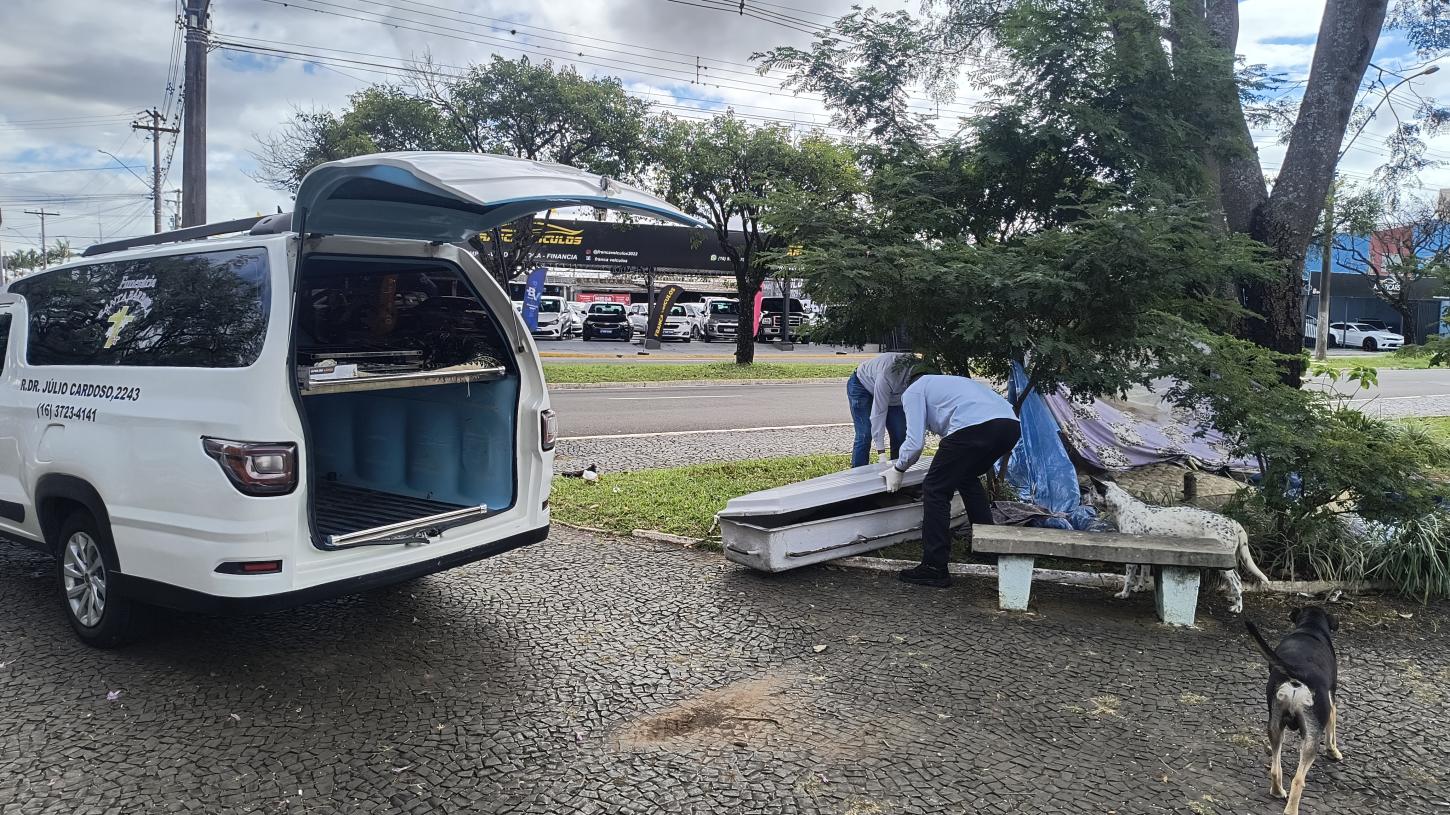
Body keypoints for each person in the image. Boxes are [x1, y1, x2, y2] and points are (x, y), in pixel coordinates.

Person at [884, 374, 1022, 588]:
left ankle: (934, 567)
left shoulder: (913, 391)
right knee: (966, 477)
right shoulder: (947, 384)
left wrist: (898, 468)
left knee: (935, 488)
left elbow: (915, 443)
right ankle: (986, 547)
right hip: (1009, 427)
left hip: (975, 428)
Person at [846, 352, 915, 468]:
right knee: (865, 433)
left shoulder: (921, 378)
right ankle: (857, 473)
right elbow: (879, 413)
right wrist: (881, 453)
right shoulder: (887, 376)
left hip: (894, 392)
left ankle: (898, 470)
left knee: (900, 432)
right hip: (862, 384)